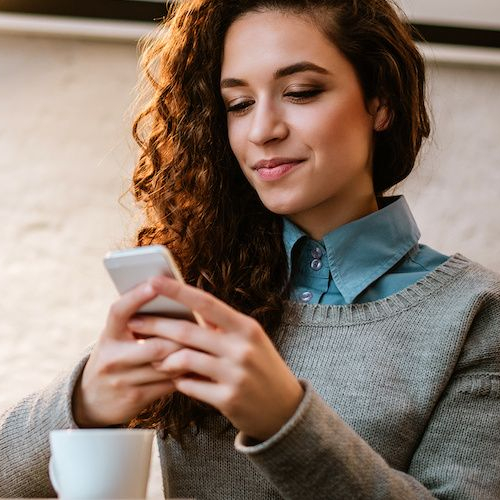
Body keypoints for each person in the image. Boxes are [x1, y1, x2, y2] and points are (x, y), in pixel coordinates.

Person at [1, 0, 500, 498]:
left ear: (380, 102)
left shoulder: (474, 312)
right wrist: (85, 399)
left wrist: (284, 419)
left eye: (301, 93)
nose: (262, 131)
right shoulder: (205, 282)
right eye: (239, 104)